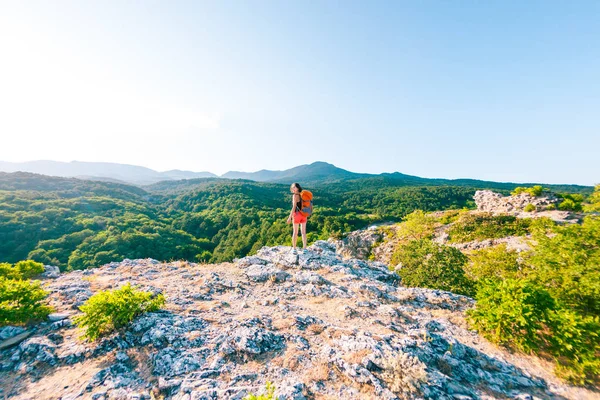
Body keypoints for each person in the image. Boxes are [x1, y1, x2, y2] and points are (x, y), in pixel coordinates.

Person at [286, 182, 307, 250]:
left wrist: (289, 218)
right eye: (292, 187)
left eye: (294, 187)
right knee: (303, 232)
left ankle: (294, 249)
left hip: (297, 215)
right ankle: (304, 249)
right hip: (304, 215)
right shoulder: (303, 194)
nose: (293, 188)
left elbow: (294, 207)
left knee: (295, 233)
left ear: (297, 188)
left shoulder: (295, 196)